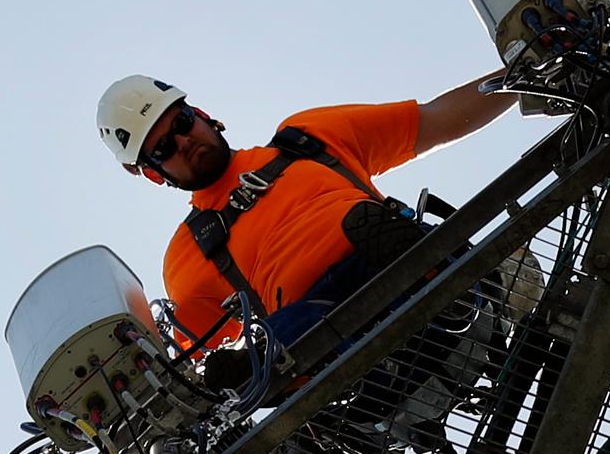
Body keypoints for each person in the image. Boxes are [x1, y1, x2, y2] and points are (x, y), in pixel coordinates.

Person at [97, 74, 517, 361]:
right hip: (335, 351)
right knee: (275, 344)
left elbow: (437, 119)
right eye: (165, 148)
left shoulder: (306, 139)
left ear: (203, 114)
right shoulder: (189, 254)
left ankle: (431, 280)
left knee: (373, 238)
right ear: (153, 173)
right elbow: (186, 361)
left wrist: (524, 71)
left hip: (396, 266)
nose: (185, 140)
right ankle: (301, 450)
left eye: (184, 122)